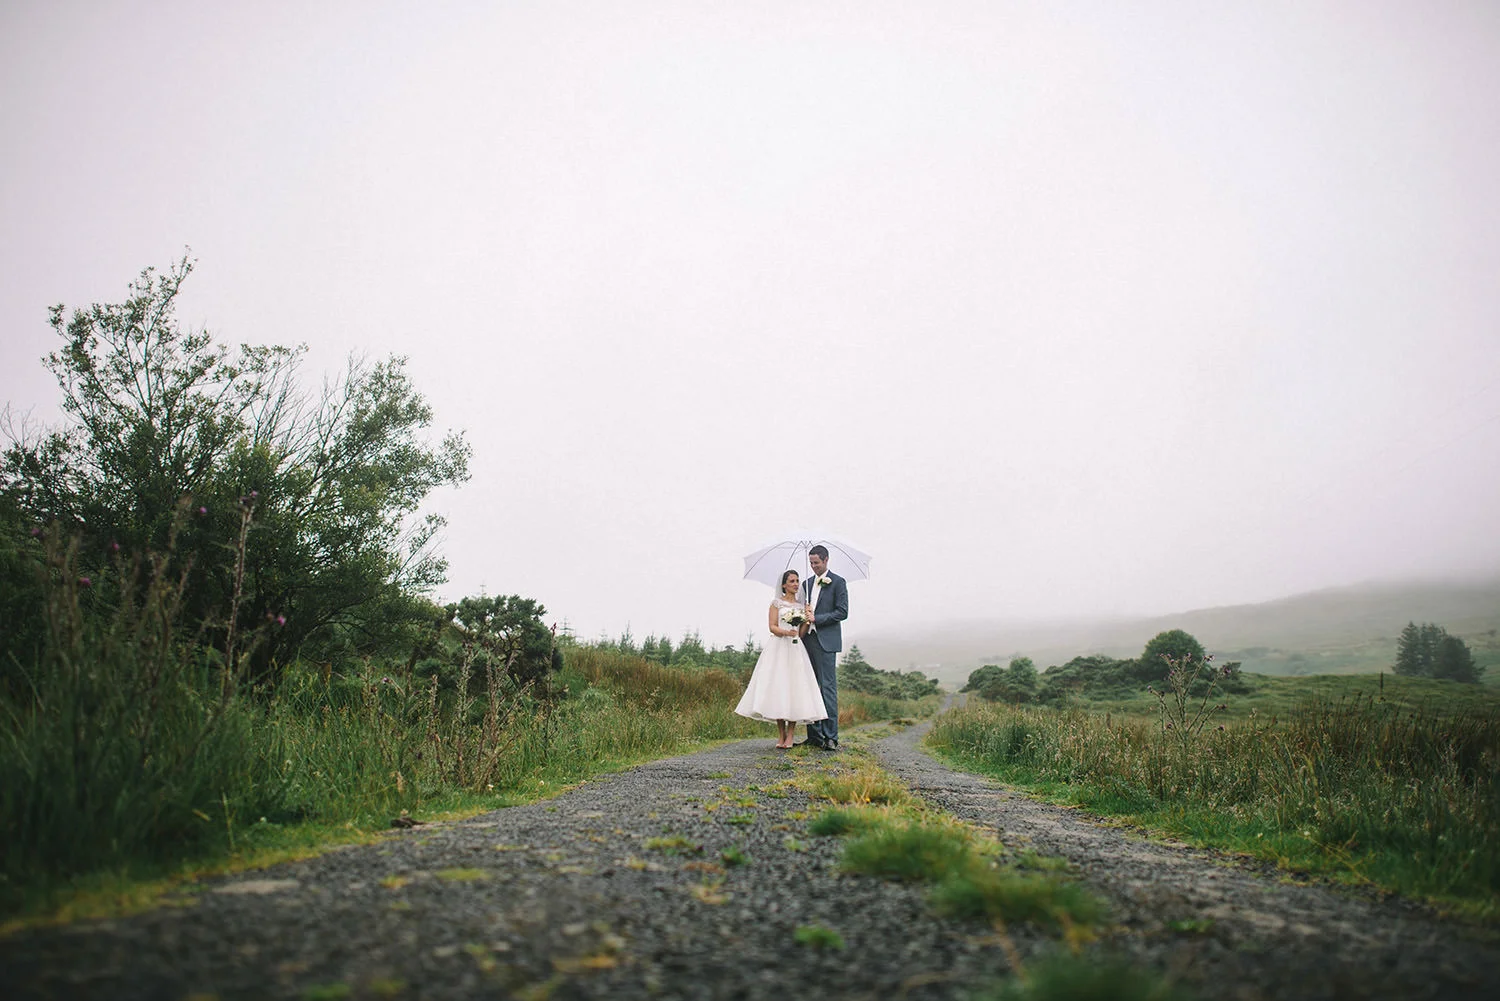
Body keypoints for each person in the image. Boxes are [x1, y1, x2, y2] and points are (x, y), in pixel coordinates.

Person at [734, 569, 828, 748]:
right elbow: (772, 627)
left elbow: (800, 634)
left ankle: (791, 735)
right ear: (784, 584)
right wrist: (787, 632)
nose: (795, 584)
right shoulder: (776, 604)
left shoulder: (802, 606)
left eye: (797, 581)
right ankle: (781, 734)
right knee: (778, 687)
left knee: (794, 688)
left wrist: (807, 620)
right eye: (791, 581)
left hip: (795, 649)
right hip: (778, 647)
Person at [796, 545, 848, 751]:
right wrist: (802, 616)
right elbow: (800, 612)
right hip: (807, 640)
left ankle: (830, 737)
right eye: (811, 563)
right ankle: (814, 735)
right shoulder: (806, 585)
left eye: (816, 563)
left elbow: (842, 612)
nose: (813, 567)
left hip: (826, 640)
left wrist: (817, 618)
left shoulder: (838, 582)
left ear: (826, 560)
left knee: (827, 688)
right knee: (809, 687)